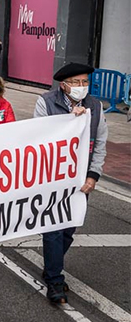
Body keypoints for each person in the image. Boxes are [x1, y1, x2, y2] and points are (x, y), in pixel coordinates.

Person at [33, 62, 107, 304]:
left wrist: (93, 175)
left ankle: (51, 266)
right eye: (75, 82)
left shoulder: (95, 106)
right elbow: (40, 138)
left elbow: (100, 143)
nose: (81, 87)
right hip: (53, 179)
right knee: (53, 228)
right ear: (63, 85)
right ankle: (54, 280)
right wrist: (68, 121)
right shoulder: (46, 102)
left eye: (85, 82)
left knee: (69, 228)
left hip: (80, 180)